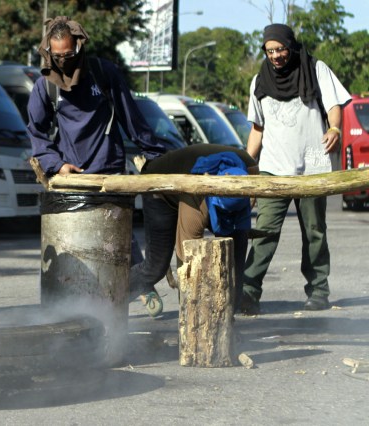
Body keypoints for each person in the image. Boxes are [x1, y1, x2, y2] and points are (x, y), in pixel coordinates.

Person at [27, 16, 168, 265]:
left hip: (108, 168)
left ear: (79, 48)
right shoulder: (45, 86)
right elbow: (36, 133)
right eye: (57, 56)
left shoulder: (103, 73)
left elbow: (131, 118)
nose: (63, 61)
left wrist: (159, 157)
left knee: (118, 233)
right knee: (76, 241)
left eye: (68, 55)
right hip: (71, 175)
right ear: (48, 52)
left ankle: (140, 282)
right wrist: (57, 165)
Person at [240, 23, 351, 315]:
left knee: (314, 231)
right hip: (273, 168)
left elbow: (334, 105)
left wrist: (335, 128)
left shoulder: (315, 68)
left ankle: (318, 291)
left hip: (313, 165)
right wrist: (246, 167)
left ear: (290, 45)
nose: (276, 56)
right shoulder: (258, 81)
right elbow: (257, 130)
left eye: (280, 49)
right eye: (270, 51)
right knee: (263, 231)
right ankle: (248, 292)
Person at [129, 145, 258, 317]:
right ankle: (106, 302)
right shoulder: (197, 201)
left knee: (237, 245)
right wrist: (190, 314)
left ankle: (229, 316)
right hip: (160, 186)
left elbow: (236, 260)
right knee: (156, 266)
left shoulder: (250, 171)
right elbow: (185, 262)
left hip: (199, 183)